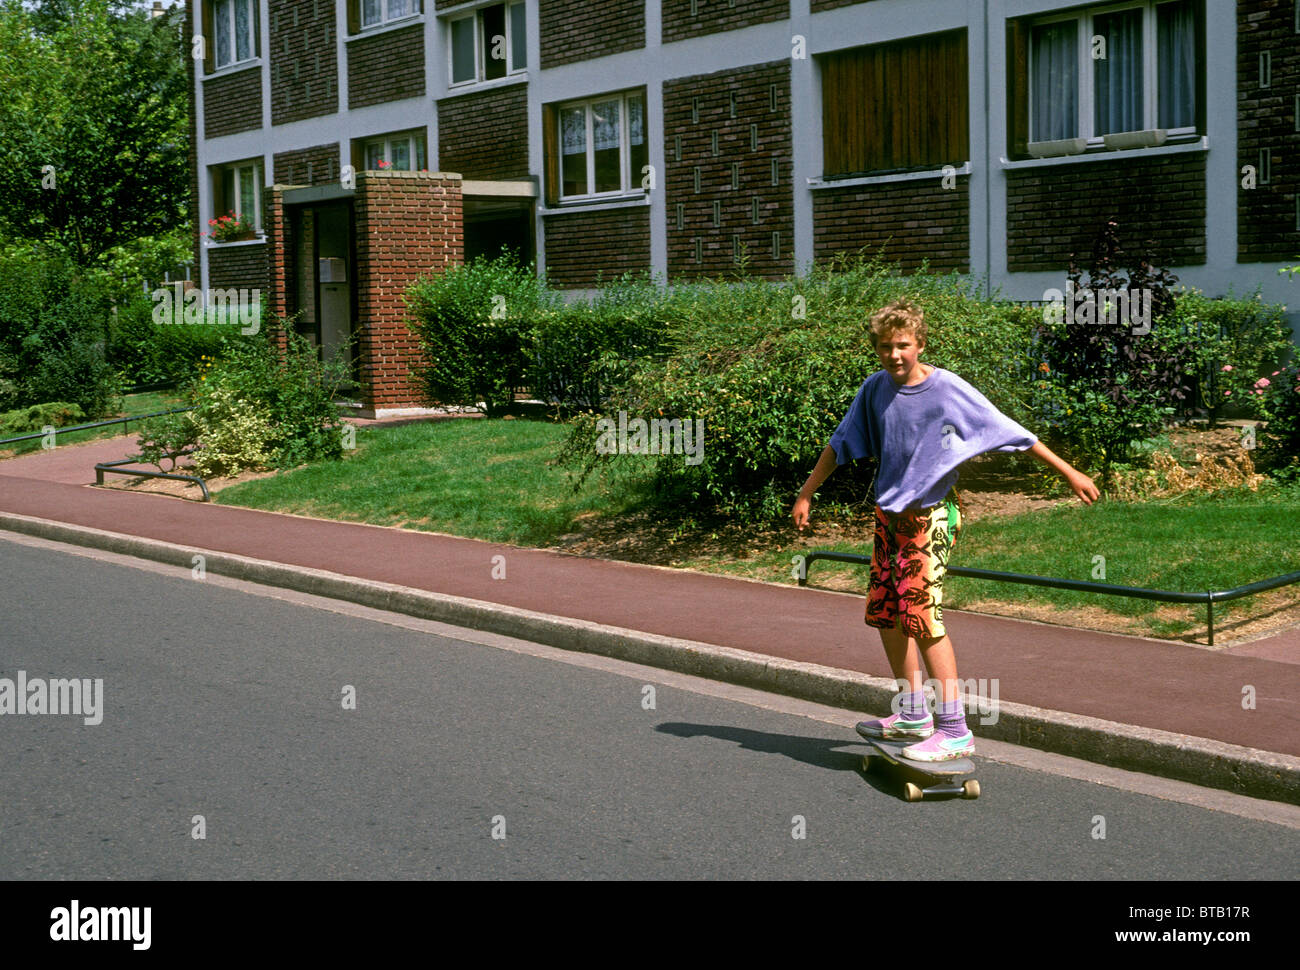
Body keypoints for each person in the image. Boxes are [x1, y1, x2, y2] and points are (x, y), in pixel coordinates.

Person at [791, 299, 1100, 762]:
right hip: (889, 517)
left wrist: (1069, 472)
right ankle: (914, 712)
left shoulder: (947, 389)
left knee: (924, 618)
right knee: (886, 614)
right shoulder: (875, 389)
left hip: (930, 517)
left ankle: (955, 729)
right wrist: (807, 492)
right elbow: (839, 443)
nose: (894, 355)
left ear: (920, 344)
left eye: (903, 345)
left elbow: (1009, 429)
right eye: (884, 347)